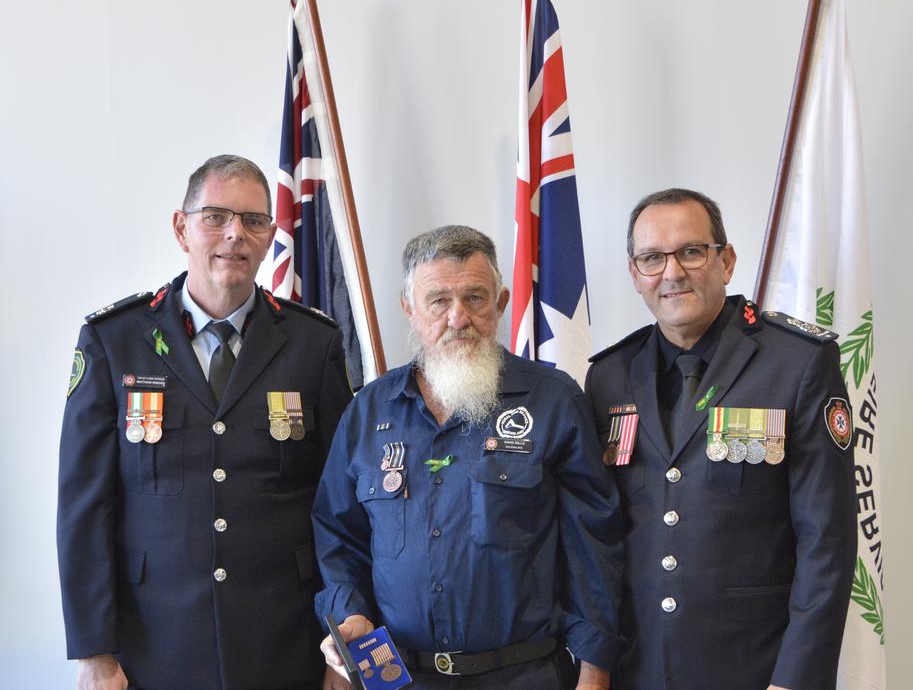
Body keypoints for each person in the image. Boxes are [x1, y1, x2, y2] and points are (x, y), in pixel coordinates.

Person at [57, 154, 353, 690]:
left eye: (254, 220)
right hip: (154, 643)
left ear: (269, 236)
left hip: (284, 640)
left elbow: (339, 506)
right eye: (215, 216)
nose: (234, 234)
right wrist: (94, 652)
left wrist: (342, 647)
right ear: (182, 227)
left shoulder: (315, 344)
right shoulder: (114, 341)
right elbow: (84, 507)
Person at [313, 225, 622, 690]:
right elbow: (339, 534)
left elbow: (593, 544)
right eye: (438, 301)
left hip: (524, 675)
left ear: (500, 304)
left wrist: (596, 672)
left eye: (475, 298)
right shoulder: (367, 410)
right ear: (410, 311)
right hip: (398, 677)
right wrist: (348, 615)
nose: (458, 318)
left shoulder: (553, 400)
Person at [585, 189, 857, 690]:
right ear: (634, 273)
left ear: (726, 261)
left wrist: (794, 680)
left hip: (754, 670)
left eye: (691, 251)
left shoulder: (796, 363)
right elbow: (598, 538)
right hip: (636, 670)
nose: (672, 273)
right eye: (652, 258)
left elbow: (827, 544)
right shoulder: (608, 377)